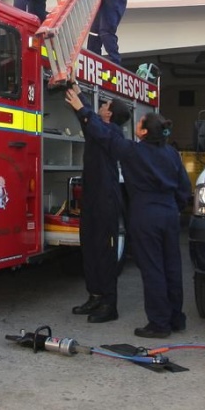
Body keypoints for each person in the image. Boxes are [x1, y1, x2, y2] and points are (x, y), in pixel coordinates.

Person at [66, 87, 192, 338]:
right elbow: (184, 190)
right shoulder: (172, 154)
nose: (137, 123)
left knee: (153, 269)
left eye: (141, 123)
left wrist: (82, 108)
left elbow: (106, 138)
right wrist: (172, 209)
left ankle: (158, 324)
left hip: (146, 215)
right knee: (171, 268)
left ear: (144, 132)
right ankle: (175, 318)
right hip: (168, 214)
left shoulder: (134, 152)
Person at [70, 87, 131, 324]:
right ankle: (94, 295)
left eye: (105, 106)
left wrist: (82, 108)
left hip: (106, 200)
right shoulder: (99, 127)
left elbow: (92, 122)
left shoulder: (112, 133)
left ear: (110, 114)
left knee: (104, 251)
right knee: (90, 247)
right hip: (93, 197)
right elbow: (89, 121)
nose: (101, 107)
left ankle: (109, 303)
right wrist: (73, 89)